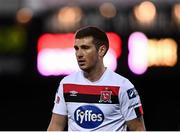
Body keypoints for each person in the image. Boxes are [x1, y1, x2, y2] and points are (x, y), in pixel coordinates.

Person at [47, 26, 146, 131]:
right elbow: (55, 127)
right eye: (76, 48)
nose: (79, 54)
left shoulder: (123, 86)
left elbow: (138, 129)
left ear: (101, 50)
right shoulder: (66, 84)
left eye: (85, 48)